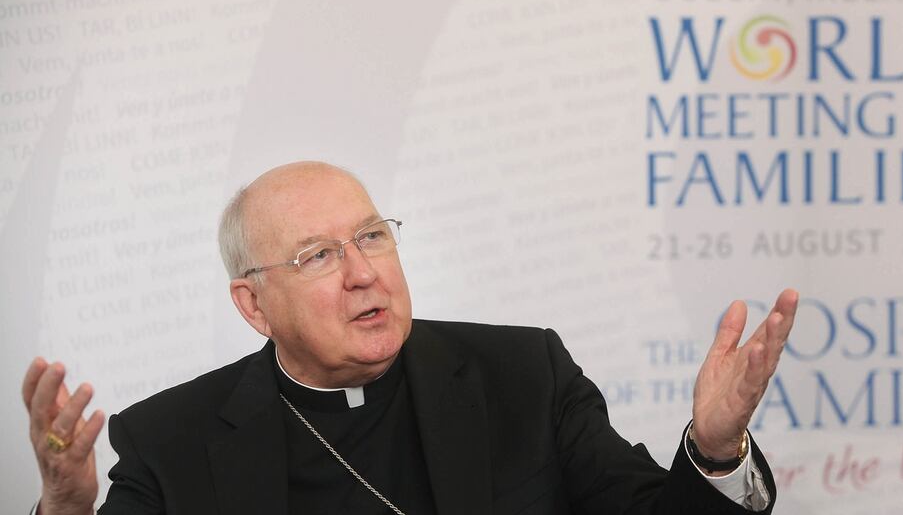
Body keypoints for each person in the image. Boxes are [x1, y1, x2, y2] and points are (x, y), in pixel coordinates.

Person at [22, 161, 798, 514]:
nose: (362, 272)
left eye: (372, 235)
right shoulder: (171, 441)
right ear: (253, 305)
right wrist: (61, 506)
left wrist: (713, 450)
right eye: (319, 255)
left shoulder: (524, 374)